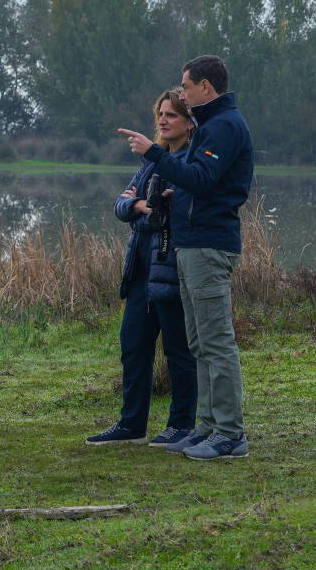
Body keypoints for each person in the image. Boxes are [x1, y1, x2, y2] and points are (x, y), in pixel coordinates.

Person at [118, 55, 254, 460]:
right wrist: (181, 193)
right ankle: (209, 428)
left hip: (209, 245)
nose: (183, 92)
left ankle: (230, 434)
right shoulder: (212, 127)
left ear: (206, 87)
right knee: (199, 342)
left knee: (216, 342)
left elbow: (203, 178)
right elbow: (202, 183)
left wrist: (153, 153)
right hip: (192, 244)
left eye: (187, 86)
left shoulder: (223, 126)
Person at [87, 88, 197, 447]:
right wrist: (138, 208)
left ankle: (181, 425)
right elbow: (121, 204)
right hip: (140, 271)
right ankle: (131, 424)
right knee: (133, 347)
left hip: (173, 269)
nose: (163, 121)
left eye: (172, 115)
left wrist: (161, 207)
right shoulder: (152, 162)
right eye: (160, 115)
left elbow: (187, 206)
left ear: (189, 123)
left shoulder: (193, 163)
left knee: (179, 351)